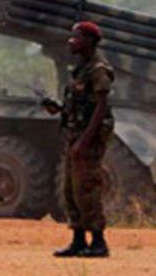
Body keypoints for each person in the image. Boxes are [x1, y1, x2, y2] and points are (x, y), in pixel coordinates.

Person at [46, 20, 114, 259]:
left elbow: (101, 107)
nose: (70, 41)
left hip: (88, 139)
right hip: (75, 135)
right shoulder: (81, 68)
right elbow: (80, 105)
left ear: (89, 41)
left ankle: (98, 242)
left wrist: (85, 140)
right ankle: (77, 240)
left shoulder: (98, 69)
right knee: (70, 190)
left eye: (76, 37)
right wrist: (58, 109)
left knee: (87, 189)